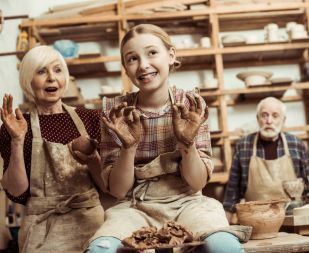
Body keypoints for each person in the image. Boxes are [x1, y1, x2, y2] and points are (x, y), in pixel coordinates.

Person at [86, 24, 248, 253]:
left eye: (152, 53)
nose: (143, 65)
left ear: (171, 56)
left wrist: (187, 143)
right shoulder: (116, 113)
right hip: (135, 208)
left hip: (188, 204)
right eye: (132, 59)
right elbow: (118, 191)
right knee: (100, 249)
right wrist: (128, 147)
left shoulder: (191, 106)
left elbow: (198, 183)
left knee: (224, 246)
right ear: (125, 68)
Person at [0, 46, 105, 252]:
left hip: (89, 219)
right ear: (28, 80)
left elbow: (106, 185)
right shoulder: (16, 125)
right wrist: (17, 140)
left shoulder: (90, 119)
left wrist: (93, 158)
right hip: (40, 227)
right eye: (41, 71)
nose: (51, 78)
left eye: (57, 70)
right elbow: (16, 191)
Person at [223, 97, 309, 222]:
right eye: (264, 115)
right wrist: (224, 228)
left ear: (283, 120)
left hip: (292, 219)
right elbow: (232, 193)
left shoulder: (296, 144)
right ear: (258, 119)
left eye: (275, 116)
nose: (269, 121)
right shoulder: (243, 146)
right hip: (256, 221)